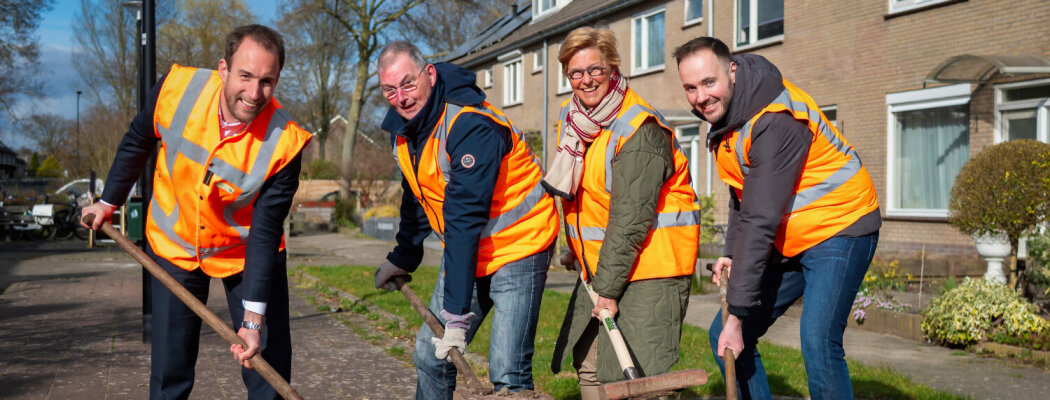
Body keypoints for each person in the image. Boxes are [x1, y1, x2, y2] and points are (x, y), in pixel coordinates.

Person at [81, 24, 309, 400]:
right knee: (170, 372)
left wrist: (253, 322)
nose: (254, 93)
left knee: (266, 366)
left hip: (244, 254)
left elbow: (266, 232)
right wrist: (109, 202)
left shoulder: (286, 143)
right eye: (245, 76)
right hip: (176, 247)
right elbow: (139, 138)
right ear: (223, 69)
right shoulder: (176, 90)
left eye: (267, 81)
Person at [673, 36, 881, 399]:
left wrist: (736, 316)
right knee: (723, 339)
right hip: (793, 234)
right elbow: (743, 194)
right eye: (690, 87)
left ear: (732, 71)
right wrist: (731, 254)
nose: (700, 97)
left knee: (818, 340)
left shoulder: (774, 120)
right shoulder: (730, 118)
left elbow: (759, 220)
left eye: (709, 82)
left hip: (840, 226)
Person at [371, 40, 559, 399]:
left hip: (520, 244)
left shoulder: (469, 123)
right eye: (390, 90)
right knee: (430, 355)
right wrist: (403, 257)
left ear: (429, 74)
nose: (401, 97)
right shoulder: (405, 132)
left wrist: (455, 317)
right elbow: (418, 196)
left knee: (508, 372)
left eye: (408, 84)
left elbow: (464, 217)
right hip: (471, 249)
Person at [546, 27, 701, 400]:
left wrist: (608, 291)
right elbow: (590, 199)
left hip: (650, 272)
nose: (585, 81)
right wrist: (577, 249)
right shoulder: (578, 124)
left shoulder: (639, 131)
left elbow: (630, 221)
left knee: (637, 381)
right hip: (606, 266)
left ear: (613, 67)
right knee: (589, 361)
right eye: (575, 72)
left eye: (595, 70)